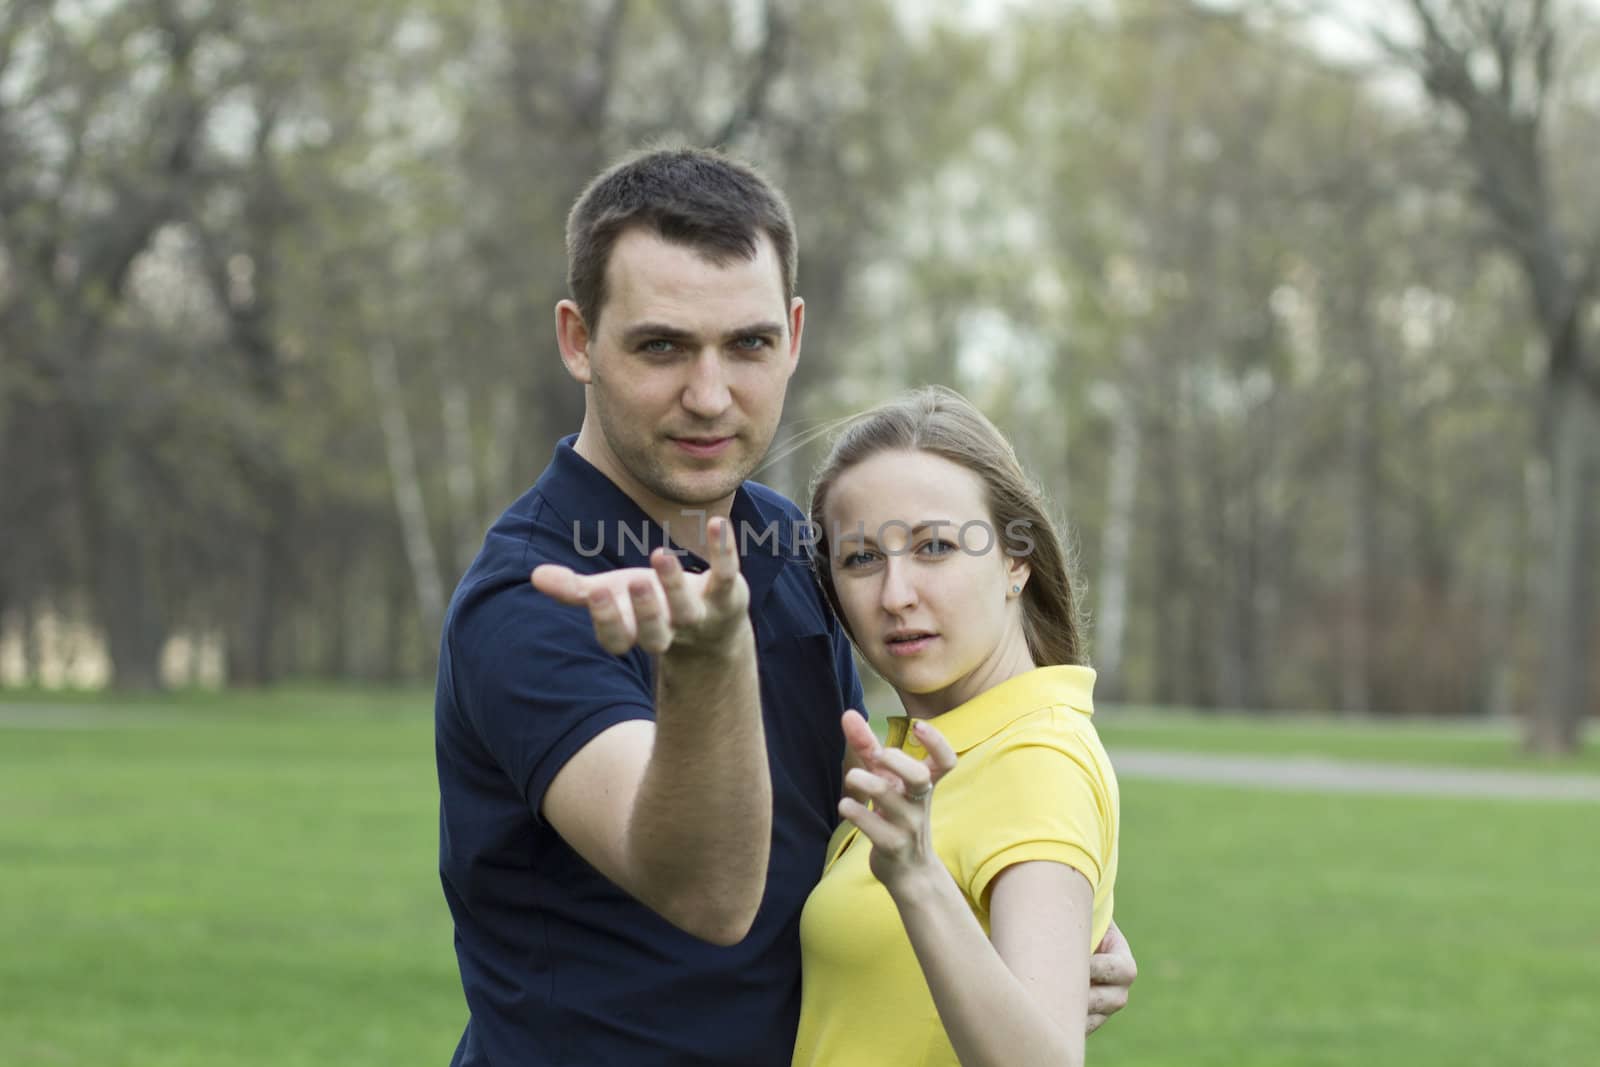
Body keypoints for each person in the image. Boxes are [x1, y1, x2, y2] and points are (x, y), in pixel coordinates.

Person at [434, 146, 1136, 1067]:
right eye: (662, 345)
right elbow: (709, 891)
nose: (710, 395)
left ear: (795, 335)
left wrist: (1021, 952)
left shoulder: (793, 547)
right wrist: (710, 665)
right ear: (578, 340)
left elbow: (839, 867)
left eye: (749, 344)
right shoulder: (530, 600)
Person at [792, 387, 1119, 1067]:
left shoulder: (1036, 759)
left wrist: (916, 874)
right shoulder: (935, 750)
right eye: (860, 558)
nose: (896, 593)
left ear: (1015, 559)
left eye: (935, 546)